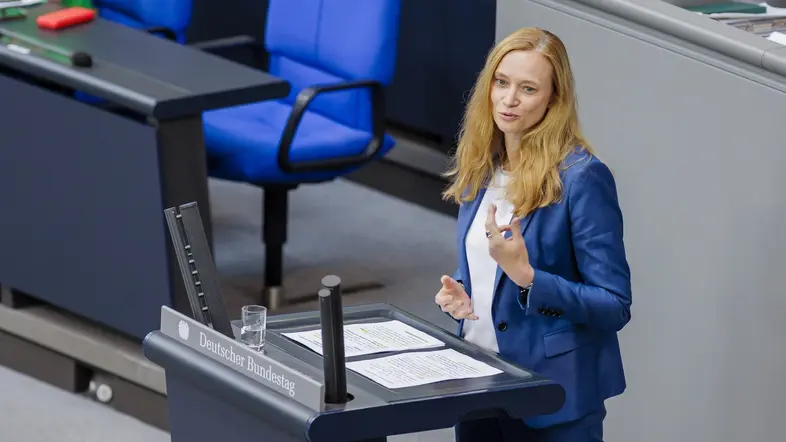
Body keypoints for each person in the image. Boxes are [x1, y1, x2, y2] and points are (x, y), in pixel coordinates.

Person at [435, 27, 632, 442]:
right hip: (479, 381)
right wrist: (462, 296)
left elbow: (614, 305)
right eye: (501, 83)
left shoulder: (582, 179)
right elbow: (487, 266)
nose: (509, 100)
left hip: (551, 398)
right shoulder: (482, 166)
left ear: (553, 100)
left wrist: (528, 277)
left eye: (527, 89)